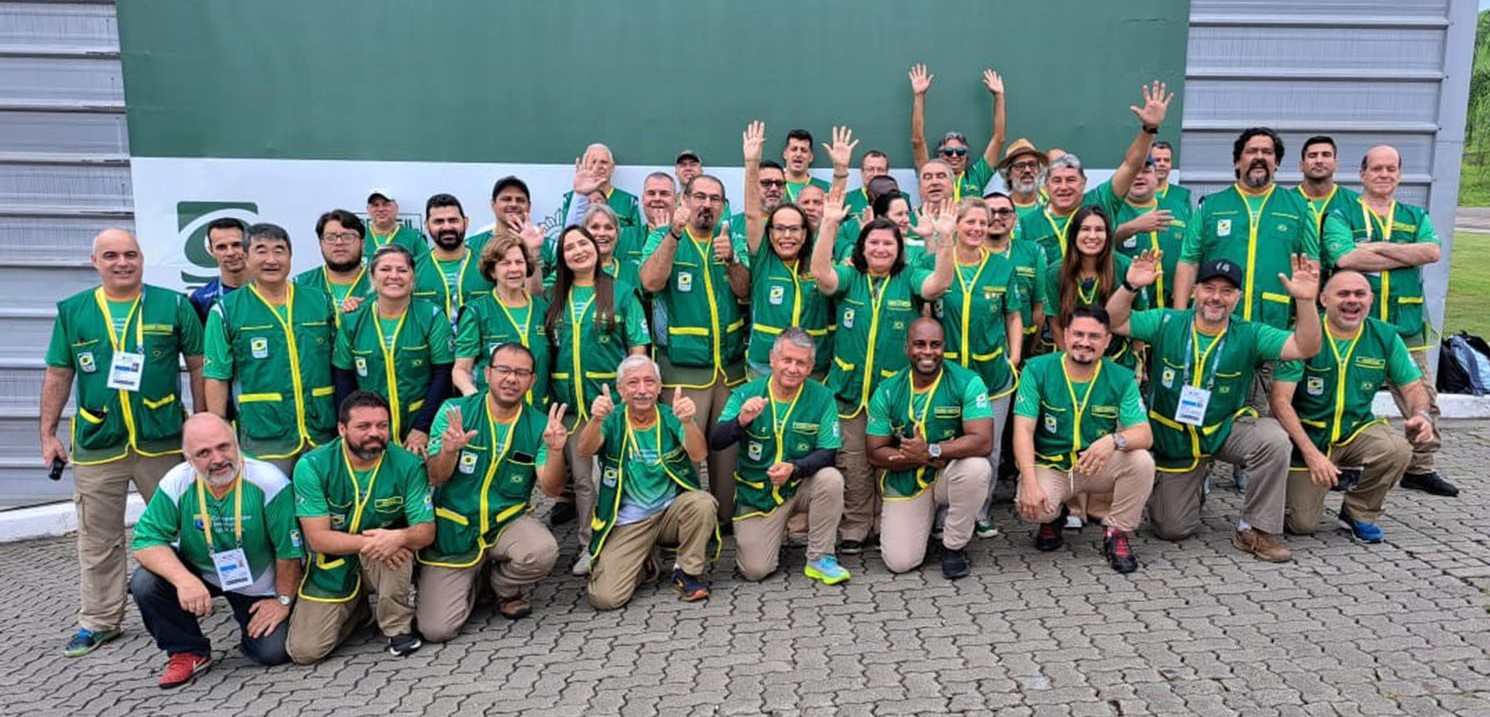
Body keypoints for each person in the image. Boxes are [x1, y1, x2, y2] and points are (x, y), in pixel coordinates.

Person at [42, 227, 206, 657]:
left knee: (184, 529)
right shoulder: (74, 311)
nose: (122, 263)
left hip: (163, 441)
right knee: (99, 540)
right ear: (94, 261)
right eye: (111, 255)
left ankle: (190, 603)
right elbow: (60, 373)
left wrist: (203, 423)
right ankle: (99, 620)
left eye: (130, 254)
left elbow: (198, 365)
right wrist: (47, 434)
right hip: (99, 444)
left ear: (142, 258)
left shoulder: (172, 305)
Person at [1107, 254, 1322, 562]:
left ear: (1238, 297)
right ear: (1194, 291)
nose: (1216, 297)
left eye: (1227, 291)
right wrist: (1129, 286)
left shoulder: (1250, 333)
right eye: (1209, 288)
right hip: (1175, 438)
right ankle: (1195, 485)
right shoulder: (1166, 321)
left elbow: (1306, 347)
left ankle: (1255, 529)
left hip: (1224, 429)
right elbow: (1114, 321)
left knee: (1273, 440)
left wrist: (1305, 301)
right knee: (1171, 528)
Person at [813, 201, 955, 555]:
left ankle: (886, 523)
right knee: (854, 462)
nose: (880, 249)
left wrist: (946, 237)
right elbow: (822, 276)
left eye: (888, 244)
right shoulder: (851, 278)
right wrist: (829, 225)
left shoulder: (908, 278)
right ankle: (856, 526)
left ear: (899, 248)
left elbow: (938, 285)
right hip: (849, 392)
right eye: (873, 243)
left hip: (893, 395)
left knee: (890, 460)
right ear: (861, 248)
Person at [127, 414, 301, 687]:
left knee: (273, 651)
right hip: (201, 572)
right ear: (188, 458)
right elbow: (144, 541)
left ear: (236, 443)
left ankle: (248, 626)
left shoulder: (268, 481)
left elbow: (289, 552)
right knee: (145, 582)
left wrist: (283, 601)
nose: (218, 459)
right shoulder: (177, 481)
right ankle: (187, 650)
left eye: (224, 447)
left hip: (257, 584)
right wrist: (184, 581)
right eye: (204, 453)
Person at [1324, 144, 1455, 497]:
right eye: (1377, 168)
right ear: (1362, 174)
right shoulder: (1342, 213)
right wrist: (1401, 252)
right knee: (1347, 396)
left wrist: (1373, 247)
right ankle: (1345, 464)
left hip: (1404, 325)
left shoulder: (1415, 216)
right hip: (1356, 326)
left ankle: (1421, 466)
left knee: (1422, 394)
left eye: (1391, 169)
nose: (1384, 175)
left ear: (1399, 174)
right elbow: (1342, 256)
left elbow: (1431, 251)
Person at [1271, 272, 1435, 541]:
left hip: (1354, 431)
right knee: (1302, 525)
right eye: (1343, 294)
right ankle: (1303, 488)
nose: (1352, 300)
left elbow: (1413, 387)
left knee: (1396, 448)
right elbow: (1279, 401)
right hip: (1307, 439)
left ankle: (1358, 512)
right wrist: (1312, 454)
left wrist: (1421, 414)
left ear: (1371, 299)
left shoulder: (1384, 336)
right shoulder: (1303, 336)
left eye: (1360, 294)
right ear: (1323, 299)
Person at [417, 343, 566, 636]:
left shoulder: (538, 424)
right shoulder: (455, 411)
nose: (511, 379)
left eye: (521, 373)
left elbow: (551, 489)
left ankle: (503, 586)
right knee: (437, 630)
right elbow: (436, 478)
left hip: (504, 522)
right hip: (456, 531)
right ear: (486, 373)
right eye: (504, 370)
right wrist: (448, 451)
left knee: (542, 550)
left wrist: (556, 450)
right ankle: (473, 581)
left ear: (532, 381)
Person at [286, 391, 435, 663]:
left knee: (397, 548)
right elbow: (318, 539)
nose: (374, 433)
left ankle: (398, 628)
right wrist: (375, 542)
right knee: (304, 652)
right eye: (363, 426)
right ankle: (357, 612)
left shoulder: (409, 465)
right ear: (342, 428)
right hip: (334, 564)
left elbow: (426, 530)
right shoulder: (313, 465)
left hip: (382, 560)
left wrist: (399, 536)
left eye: (382, 426)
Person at [639, 175, 751, 524]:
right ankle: (684, 524)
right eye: (699, 197)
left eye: (715, 199)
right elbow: (651, 282)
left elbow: (746, 291)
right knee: (684, 453)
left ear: (723, 205)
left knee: (728, 456)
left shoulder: (733, 240)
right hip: (682, 373)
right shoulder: (662, 236)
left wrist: (732, 260)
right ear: (682, 200)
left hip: (729, 370)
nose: (707, 205)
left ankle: (724, 523)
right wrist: (673, 235)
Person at [1012, 307, 1155, 573]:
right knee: (1034, 507)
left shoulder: (1121, 377)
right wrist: (1029, 481)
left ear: (1107, 340)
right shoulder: (1037, 370)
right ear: (1065, 335)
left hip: (1096, 464)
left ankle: (1117, 532)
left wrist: (1114, 440)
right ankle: (1053, 519)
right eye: (1078, 334)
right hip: (1054, 465)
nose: (1085, 342)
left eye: (1094, 336)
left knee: (1141, 462)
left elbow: (1144, 434)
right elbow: (1023, 430)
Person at [544, 225, 651, 575]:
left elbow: (637, 347)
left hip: (613, 407)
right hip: (573, 410)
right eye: (569, 246)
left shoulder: (621, 293)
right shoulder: (553, 298)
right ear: (561, 256)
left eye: (583, 243)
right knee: (585, 481)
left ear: (596, 248)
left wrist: (634, 396)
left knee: (622, 475)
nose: (578, 251)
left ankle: (635, 542)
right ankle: (590, 544)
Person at [711, 329, 848, 585]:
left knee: (831, 479)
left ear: (810, 367)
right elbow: (717, 441)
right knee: (755, 571)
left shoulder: (822, 397)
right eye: (787, 360)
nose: (792, 368)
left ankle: (820, 558)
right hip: (759, 495)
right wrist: (741, 421)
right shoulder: (746, 393)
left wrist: (795, 468)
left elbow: (828, 453)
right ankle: (772, 533)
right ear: (772, 359)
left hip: (798, 485)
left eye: (800, 363)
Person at [580, 355, 717, 609]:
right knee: (605, 598)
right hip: (629, 521)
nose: (642, 390)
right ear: (620, 390)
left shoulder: (669, 415)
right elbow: (586, 450)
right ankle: (644, 563)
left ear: (658, 386)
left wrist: (687, 422)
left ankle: (686, 572)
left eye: (649, 382)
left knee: (703, 503)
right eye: (633, 383)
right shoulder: (613, 418)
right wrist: (596, 419)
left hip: (669, 513)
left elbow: (699, 454)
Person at [204, 223, 336, 476]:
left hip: (321, 430)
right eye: (261, 251)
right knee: (270, 505)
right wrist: (218, 429)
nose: (271, 260)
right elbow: (216, 375)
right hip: (264, 433)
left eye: (279, 251)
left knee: (322, 506)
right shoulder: (227, 310)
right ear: (246, 257)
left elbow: (340, 362)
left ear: (290, 256)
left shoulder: (319, 300)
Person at [866, 319, 993, 579]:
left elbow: (983, 441)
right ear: (906, 348)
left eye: (935, 345)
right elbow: (874, 452)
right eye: (919, 344)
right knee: (899, 562)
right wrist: (914, 457)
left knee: (977, 468)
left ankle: (953, 546)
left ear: (944, 348)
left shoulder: (967, 382)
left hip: (948, 473)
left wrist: (933, 451)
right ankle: (923, 525)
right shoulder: (887, 390)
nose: (928, 352)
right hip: (907, 478)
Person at [932, 197, 1025, 538]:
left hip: (993, 377)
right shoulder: (938, 262)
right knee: (948, 442)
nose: (976, 229)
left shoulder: (1001, 267)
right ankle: (942, 514)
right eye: (969, 222)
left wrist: (1014, 356)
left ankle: (980, 512)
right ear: (955, 225)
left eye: (981, 223)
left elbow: (1013, 314)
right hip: (949, 376)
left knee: (989, 447)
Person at [1018, 82, 1173, 271]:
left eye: (1071, 180)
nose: (1064, 187)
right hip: (1053, 299)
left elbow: (1132, 165)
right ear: (1046, 186)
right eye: (1057, 181)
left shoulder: (1101, 201)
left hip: (1100, 298)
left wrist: (1149, 129)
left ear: (1083, 183)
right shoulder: (1028, 223)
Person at [332, 245, 454, 456]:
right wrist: (354, 428)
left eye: (402, 270)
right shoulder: (353, 319)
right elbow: (344, 379)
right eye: (385, 269)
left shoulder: (431, 317)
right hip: (371, 431)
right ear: (372, 275)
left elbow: (443, 377)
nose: (394, 276)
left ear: (413, 277)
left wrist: (422, 428)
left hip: (419, 428)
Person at [452, 234, 550, 402]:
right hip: (496, 415)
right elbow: (461, 370)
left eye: (519, 262)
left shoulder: (543, 309)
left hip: (539, 413)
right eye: (505, 263)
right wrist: (475, 400)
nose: (514, 269)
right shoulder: (476, 311)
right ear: (492, 271)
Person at [1047, 205, 1146, 369]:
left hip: (1117, 361)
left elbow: (1140, 321)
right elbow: (1056, 324)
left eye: (1099, 230)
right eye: (1085, 229)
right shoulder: (1055, 272)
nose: (1092, 236)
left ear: (1108, 236)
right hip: (1074, 360)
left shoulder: (1126, 267)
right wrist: (1072, 363)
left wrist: (1137, 359)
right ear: (1074, 234)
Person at [741, 202, 833, 378]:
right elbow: (752, 215)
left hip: (812, 367)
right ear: (770, 233)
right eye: (780, 228)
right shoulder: (762, 261)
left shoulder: (817, 263)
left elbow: (830, 227)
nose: (787, 235)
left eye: (794, 229)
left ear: (805, 234)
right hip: (765, 366)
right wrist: (752, 172)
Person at [909, 64, 1007, 201]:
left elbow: (999, 139)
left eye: (960, 151)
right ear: (940, 155)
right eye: (948, 151)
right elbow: (917, 141)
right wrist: (919, 96)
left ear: (967, 155)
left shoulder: (976, 175)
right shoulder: (931, 172)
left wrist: (999, 96)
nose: (954, 155)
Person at [1107, 157, 1191, 311]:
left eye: (1146, 172)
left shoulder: (1179, 208)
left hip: (1175, 309)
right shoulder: (1111, 211)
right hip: (1129, 310)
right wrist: (1133, 227)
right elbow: (1098, 245)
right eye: (1133, 172)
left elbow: (1194, 253)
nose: (1139, 176)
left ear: (1156, 176)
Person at [413, 193, 493, 325]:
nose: (447, 227)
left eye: (453, 220)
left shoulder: (490, 265)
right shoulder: (412, 269)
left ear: (465, 222)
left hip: (478, 344)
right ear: (427, 226)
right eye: (438, 221)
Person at [293, 209, 375, 328]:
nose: (339, 243)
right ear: (321, 243)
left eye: (347, 237)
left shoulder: (379, 285)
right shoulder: (301, 285)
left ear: (362, 243)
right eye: (330, 237)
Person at [556, 143, 642, 232]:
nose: (599, 166)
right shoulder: (572, 198)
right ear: (585, 165)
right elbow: (568, 235)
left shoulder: (628, 201)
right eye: (593, 162)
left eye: (604, 162)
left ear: (612, 167)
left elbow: (636, 237)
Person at [189, 217, 250, 322]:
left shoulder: (271, 290)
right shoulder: (201, 299)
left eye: (236, 245)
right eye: (221, 247)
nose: (230, 253)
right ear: (211, 251)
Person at [1294, 136, 1360, 233]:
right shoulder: (1286, 202)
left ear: (1335, 164)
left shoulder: (1355, 202)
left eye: (1326, 155)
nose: (1319, 161)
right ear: (1301, 165)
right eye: (1312, 155)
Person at [364, 189, 430, 262]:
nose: (381, 209)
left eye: (386, 204)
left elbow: (425, 265)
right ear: (368, 209)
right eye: (375, 205)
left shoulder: (414, 238)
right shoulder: (360, 237)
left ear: (396, 208)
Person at [996, 138, 1049, 223]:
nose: (1027, 170)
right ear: (1008, 173)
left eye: (1032, 165)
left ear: (1039, 170)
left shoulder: (1051, 206)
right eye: (1020, 165)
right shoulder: (998, 210)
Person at [781, 129, 832, 202]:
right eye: (794, 149)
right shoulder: (773, 185)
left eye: (804, 150)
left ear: (811, 157)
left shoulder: (825, 188)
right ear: (785, 154)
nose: (798, 154)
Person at [844, 149, 891, 217]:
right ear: (862, 172)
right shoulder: (847, 200)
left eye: (880, 170)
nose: (875, 174)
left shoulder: (901, 198)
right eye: (870, 169)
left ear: (887, 172)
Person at [1149, 140, 1193, 210]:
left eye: (1166, 160)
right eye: (1157, 160)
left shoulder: (1182, 195)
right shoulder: (1137, 194)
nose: (1162, 164)